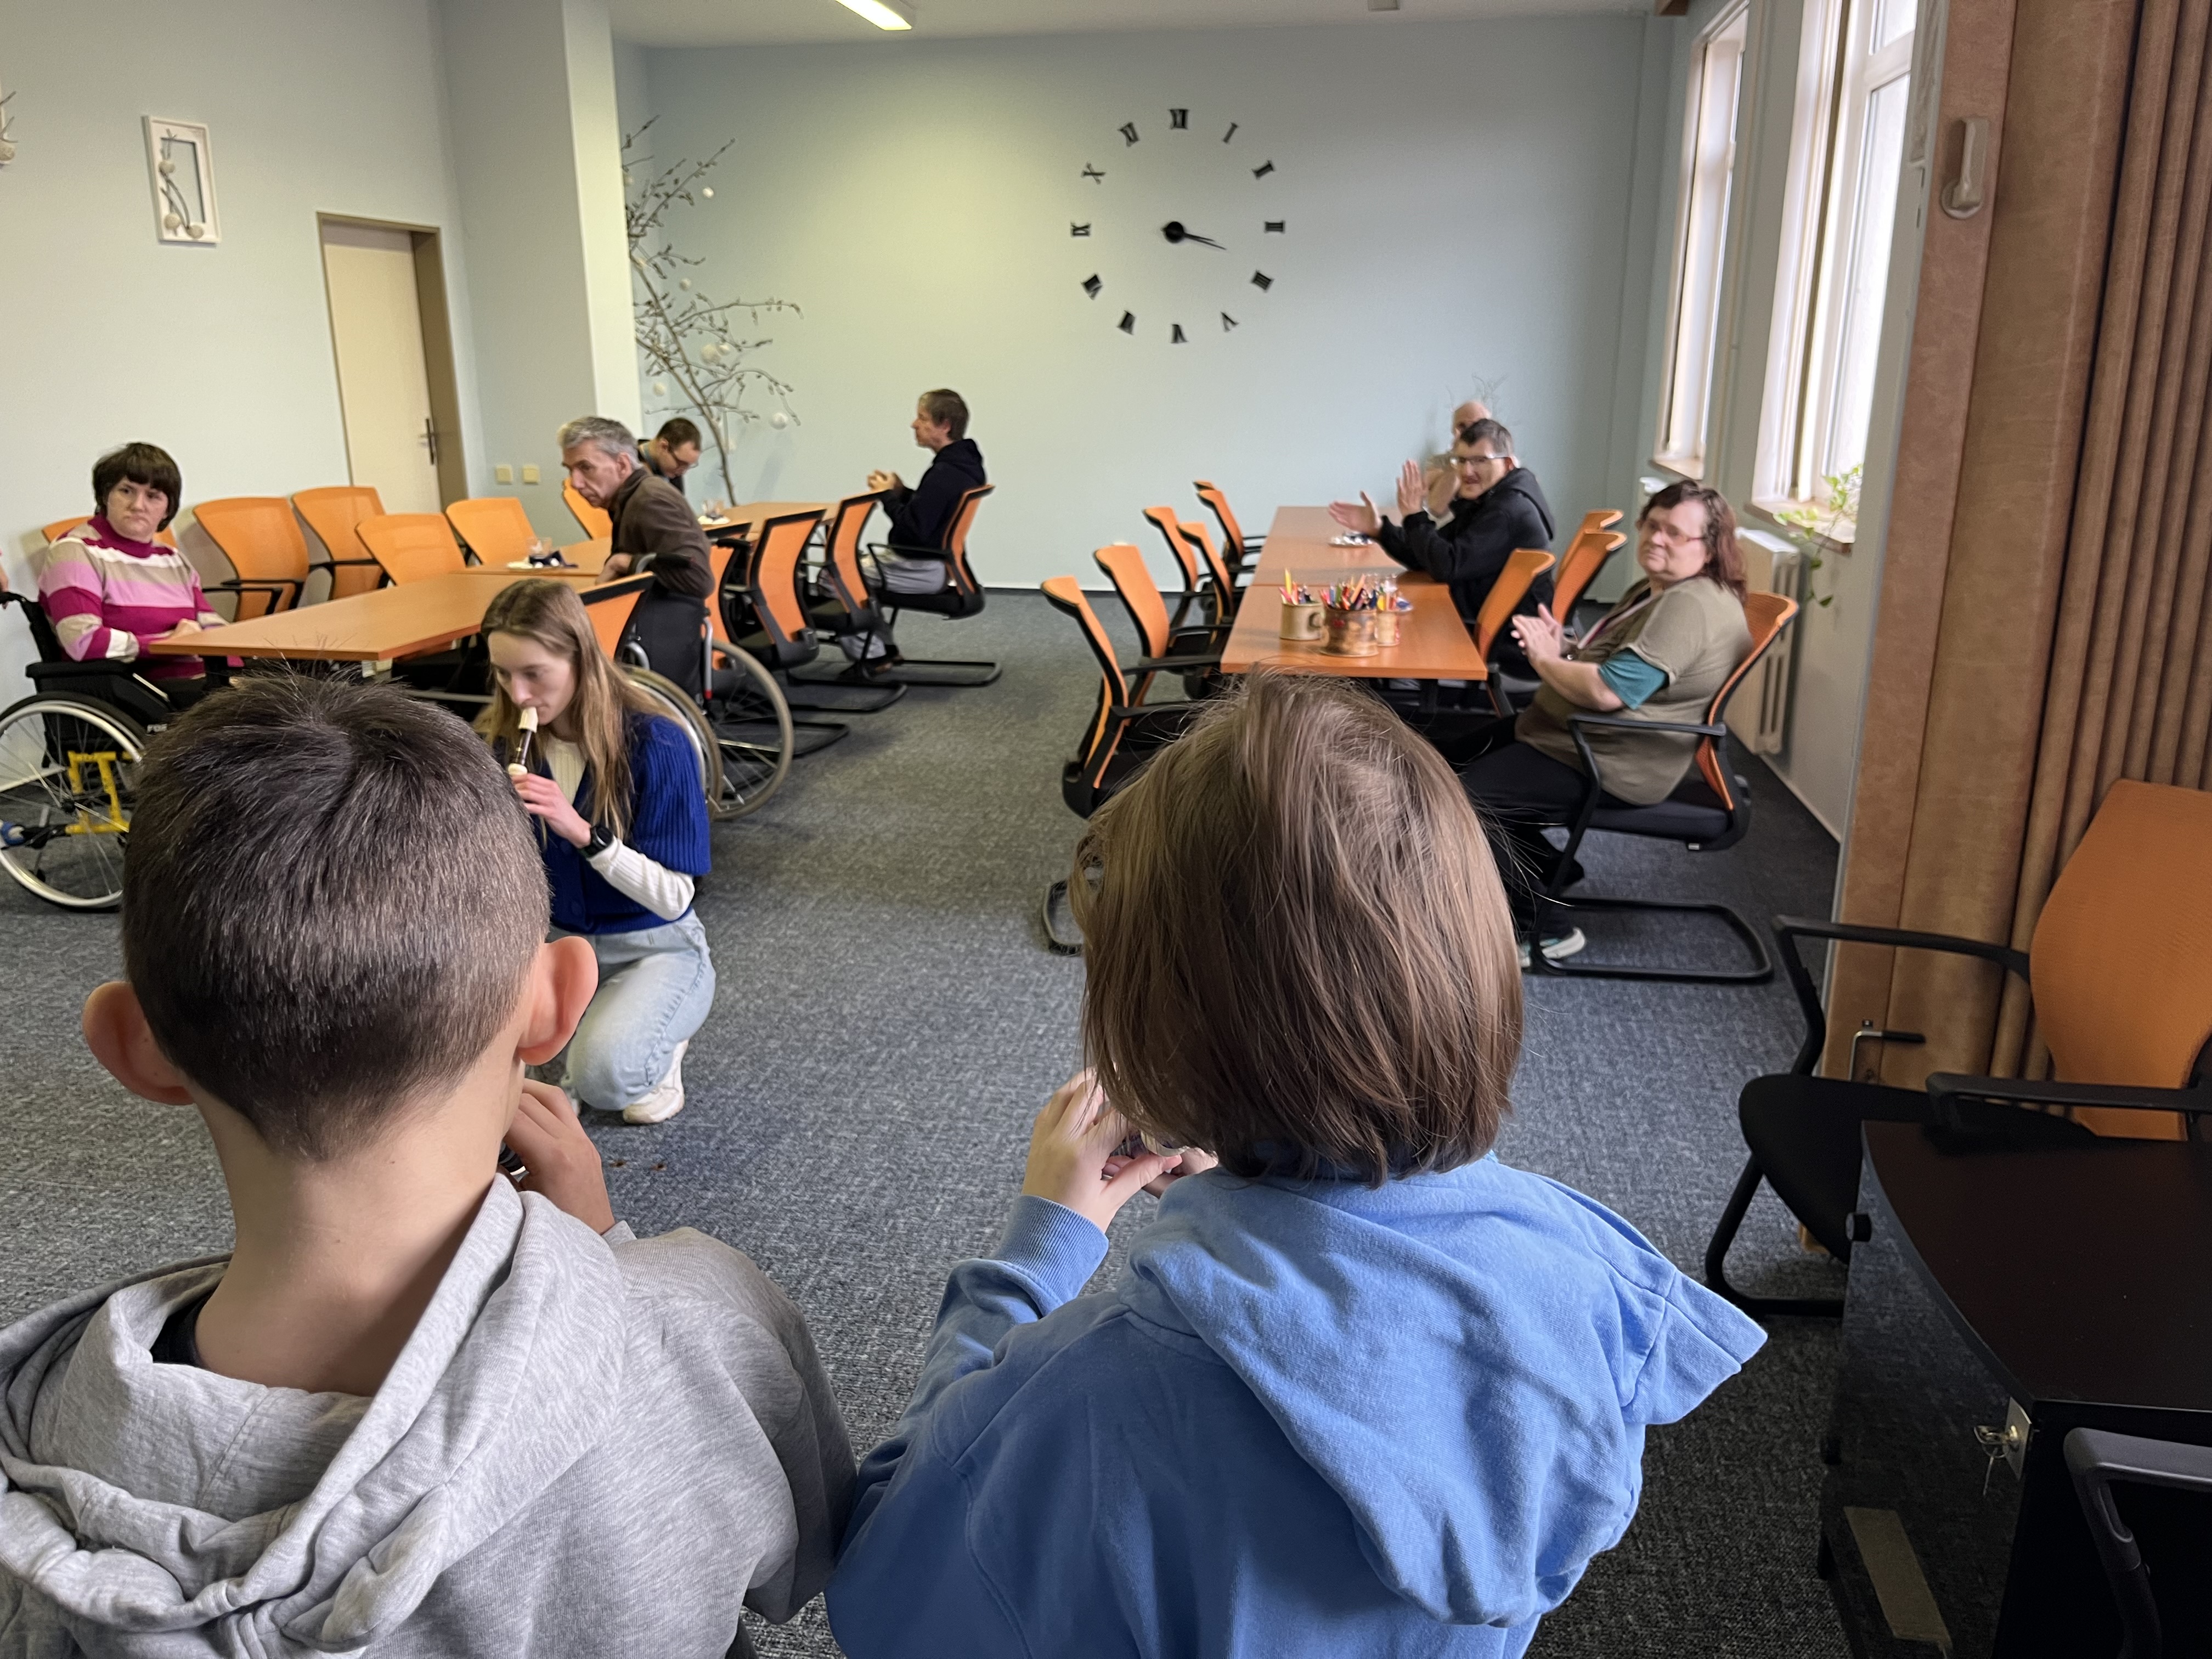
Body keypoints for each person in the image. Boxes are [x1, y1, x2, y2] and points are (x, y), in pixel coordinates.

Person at [825, 672, 1765, 1658]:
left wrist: (1032, 1257)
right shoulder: (1584, 1270)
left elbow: (886, 1578)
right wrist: (1254, 1176)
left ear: (1156, 1034)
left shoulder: (1096, 1393)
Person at [0, 676, 851, 1655]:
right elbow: (810, 1559)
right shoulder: (704, 1321)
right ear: (557, 1004)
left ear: (132, 1047)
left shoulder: (44, 1436)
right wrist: (604, 1254)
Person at [1435, 481, 1753, 966]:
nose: (1657, 539)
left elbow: (1609, 691)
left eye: (1675, 533)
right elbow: (1619, 663)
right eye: (1652, 525)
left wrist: (1545, 660)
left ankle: (1546, 928)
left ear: (1709, 549)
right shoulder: (1659, 590)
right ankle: (1547, 872)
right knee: (1440, 767)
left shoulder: (1689, 606)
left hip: (1609, 757)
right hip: (1568, 735)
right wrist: (1565, 648)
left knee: (1463, 801)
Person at [480, 579, 713, 1125]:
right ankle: (594, 1026)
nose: (518, 695)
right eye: (503, 675)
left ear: (581, 660)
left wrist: (584, 833)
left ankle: (663, 1047)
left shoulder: (658, 743)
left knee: (604, 1079)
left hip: (652, 945)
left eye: (534, 674)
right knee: (472, 1059)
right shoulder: (501, 743)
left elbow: (675, 897)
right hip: (558, 943)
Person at [1330, 417, 1556, 666]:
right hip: (1479, 619)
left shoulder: (1506, 511)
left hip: (1507, 640)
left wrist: (1415, 516)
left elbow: (1446, 565)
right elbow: (1427, 555)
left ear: (1508, 464)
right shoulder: (1490, 500)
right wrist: (1380, 529)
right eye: (1462, 460)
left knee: (1368, 630)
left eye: (1480, 461)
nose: (1467, 471)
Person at [36, 442, 225, 706]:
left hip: (197, 682)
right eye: (126, 491)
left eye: (153, 496)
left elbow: (212, 624)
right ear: (105, 496)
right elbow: (83, 641)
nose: (138, 505)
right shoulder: (75, 551)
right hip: (135, 690)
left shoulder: (171, 559)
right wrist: (167, 644)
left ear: (167, 509)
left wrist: (237, 662)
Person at [558, 414, 713, 698]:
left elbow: (698, 578)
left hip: (657, 637)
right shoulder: (633, 497)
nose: (575, 483)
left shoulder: (650, 500)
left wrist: (625, 562)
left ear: (622, 465)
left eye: (585, 468)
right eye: (570, 470)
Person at [864, 388, 985, 599]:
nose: (914, 424)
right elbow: (931, 510)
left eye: (922, 418)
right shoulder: (964, 466)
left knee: (832, 577)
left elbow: (912, 531)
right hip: (938, 564)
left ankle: (868, 623)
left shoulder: (945, 473)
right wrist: (901, 492)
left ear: (945, 426)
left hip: (919, 568)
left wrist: (886, 496)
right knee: (849, 573)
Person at [1424, 396, 1492, 518]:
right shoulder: (1439, 462)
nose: (1466, 433)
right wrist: (1459, 459)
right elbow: (1436, 508)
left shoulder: (1499, 463)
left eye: (1474, 426)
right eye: (1462, 426)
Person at [641, 416, 703, 496]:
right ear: (664, 447)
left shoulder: (672, 471)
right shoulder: (631, 468)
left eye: (688, 466)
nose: (684, 472)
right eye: (681, 463)